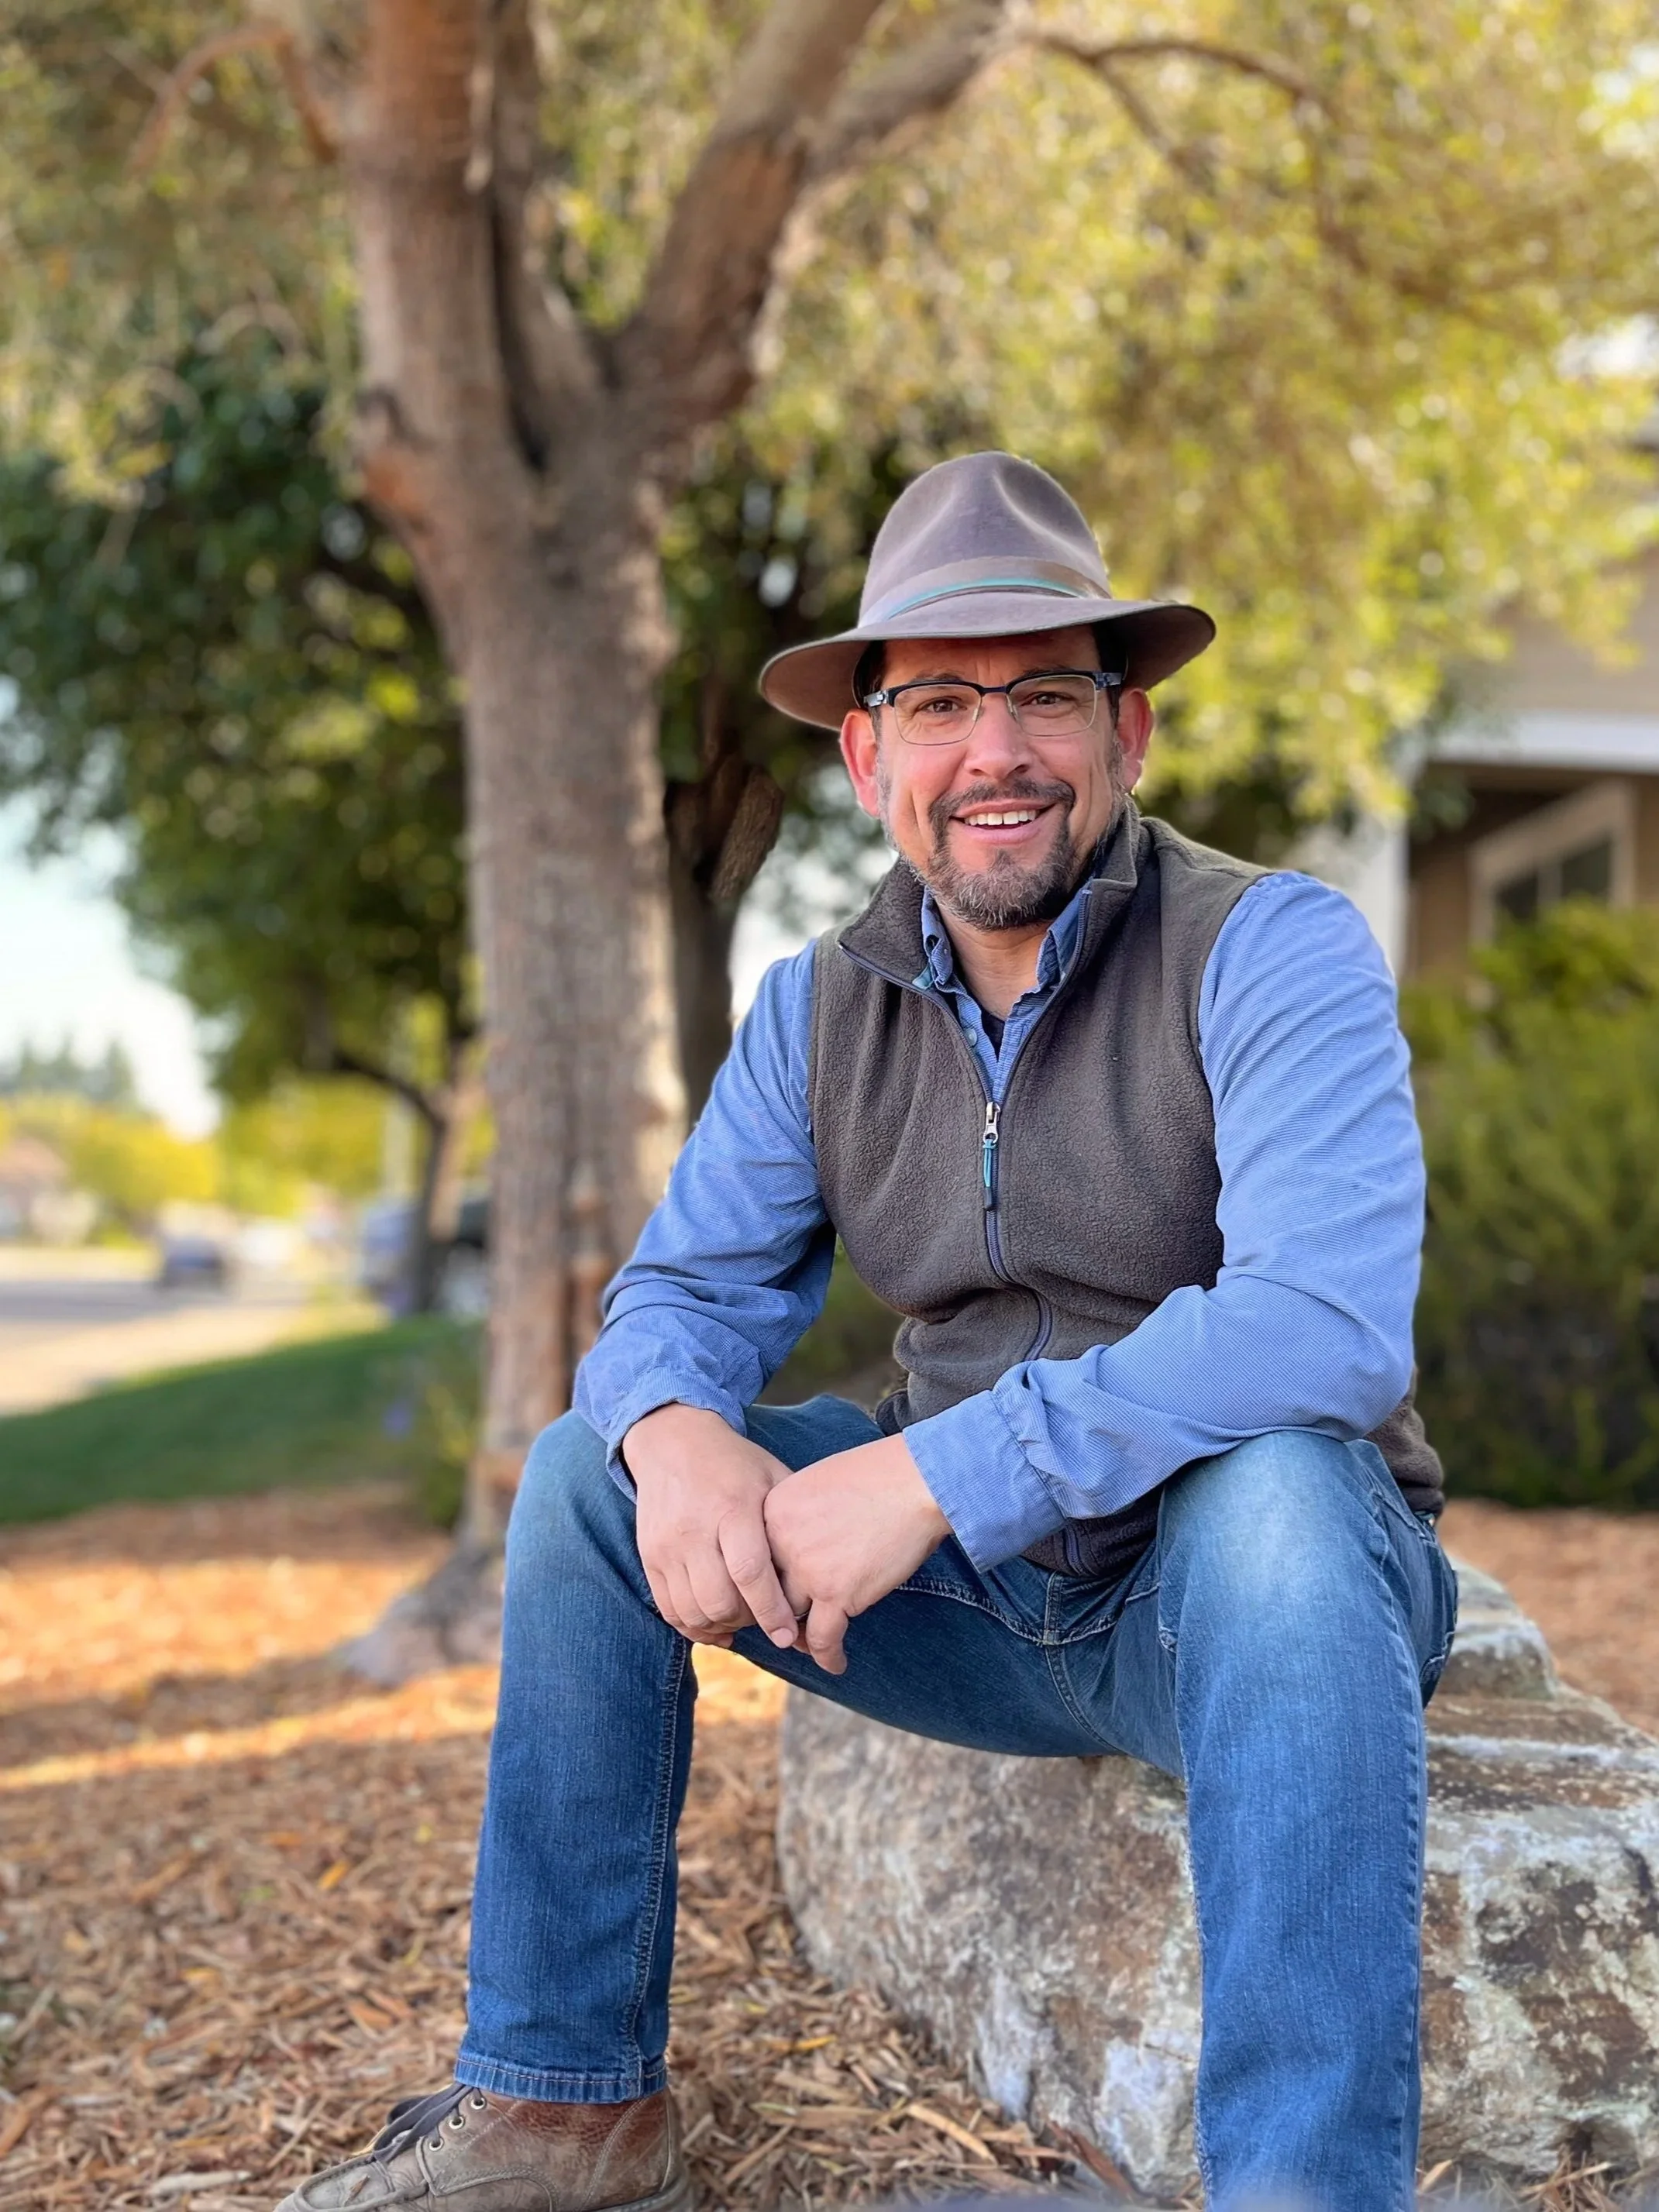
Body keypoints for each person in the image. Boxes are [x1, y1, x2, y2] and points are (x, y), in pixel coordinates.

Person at [274, 452, 1458, 2212]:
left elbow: (1322, 1320)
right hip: (979, 1608)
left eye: (1046, 693)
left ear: (1125, 733)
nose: (996, 750)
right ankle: (563, 2103)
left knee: (1280, 1489)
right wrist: (668, 1424)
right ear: (866, 755)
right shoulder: (815, 1005)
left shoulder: (1269, 948)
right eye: (938, 702)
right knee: (583, 1479)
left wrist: (939, 1468)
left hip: (1245, 1596)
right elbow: (673, 1297)